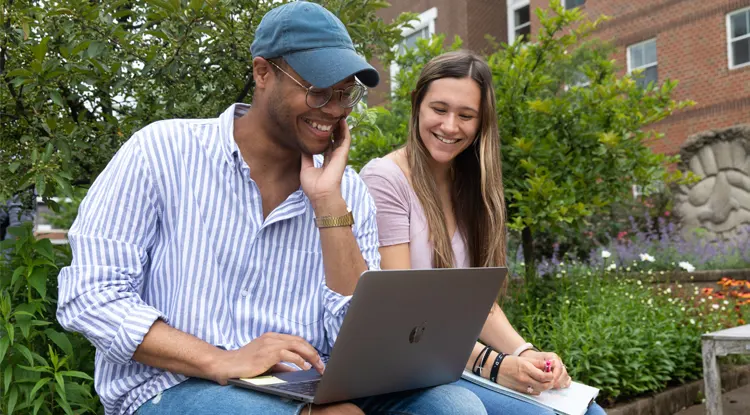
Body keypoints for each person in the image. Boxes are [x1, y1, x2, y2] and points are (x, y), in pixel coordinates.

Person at [56, 4, 486, 415]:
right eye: (319, 92)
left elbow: (356, 335)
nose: (335, 110)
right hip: (173, 384)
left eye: (346, 94)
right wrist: (218, 359)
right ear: (263, 73)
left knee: (456, 407)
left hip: (302, 381)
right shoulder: (161, 152)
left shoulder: (346, 189)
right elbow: (91, 296)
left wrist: (328, 206)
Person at [360, 51, 607, 415]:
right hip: (402, 365)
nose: (450, 126)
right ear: (417, 105)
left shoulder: (473, 186)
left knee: (589, 412)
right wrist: (493, 364)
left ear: (481, 122)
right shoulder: (386, 179)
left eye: (466, 115)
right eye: (439, 109)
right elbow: (405, 313)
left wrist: (527, 354)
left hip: (449, 361)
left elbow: (482, 308)